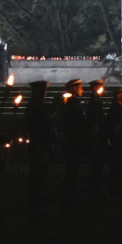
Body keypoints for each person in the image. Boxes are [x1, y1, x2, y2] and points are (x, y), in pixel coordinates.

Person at [24, 80, 54, 222]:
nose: (45, 93)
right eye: (42, 91)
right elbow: (38, 126)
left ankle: (35, 207)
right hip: (39, 147)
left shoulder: (38, 105)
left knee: (38, 180)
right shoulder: (35, 106)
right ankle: (34, 210)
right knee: (36, 180)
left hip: (40, 146)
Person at [59, 79, 91, 210]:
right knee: (72, 172)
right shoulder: (72, 103)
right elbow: (75, 123)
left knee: (72, 172)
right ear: (73, 88)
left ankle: (68, 199)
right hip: (74, 143)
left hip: (73, 142)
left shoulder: (73, 102)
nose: (82, 90)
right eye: (80, 87)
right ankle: (68, 200)